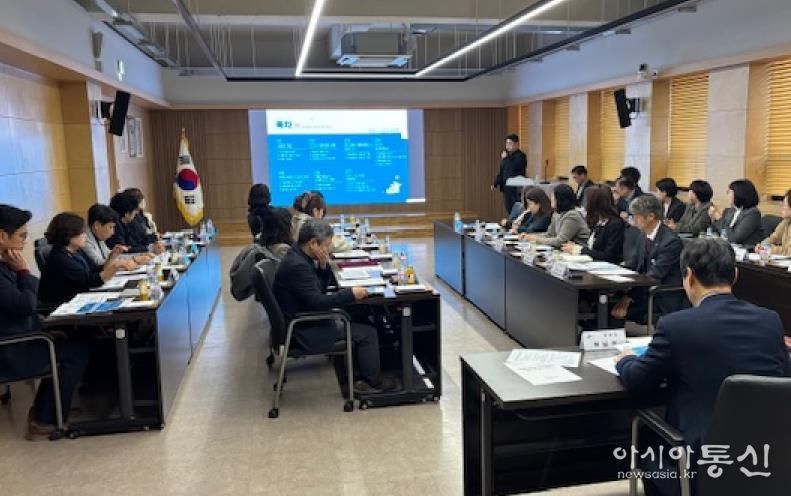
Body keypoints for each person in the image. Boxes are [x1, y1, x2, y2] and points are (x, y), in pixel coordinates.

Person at [616, 238, 789, 496]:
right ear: (735, 275)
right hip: (766, 455)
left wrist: (625, 359)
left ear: (689, 276)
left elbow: (638, 381)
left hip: (698, 461)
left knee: (645, 434)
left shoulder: (675, 326)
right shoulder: (770, 321)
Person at [273, 219, 395, 394]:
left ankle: (362, 367)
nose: (328, 249)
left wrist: (323, 266)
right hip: (305, 328)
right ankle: (372, 382)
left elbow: (316, 291)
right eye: (326, 245)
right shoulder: (298, 266)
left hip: (303, 317)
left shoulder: (298, 256)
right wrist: (350, 294)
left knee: (358, 313)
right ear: (313, 243)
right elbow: (318, 302)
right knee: (368, 333)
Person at [0, 205, 91, 440]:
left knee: (74, 340)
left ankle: (50, 407)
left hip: (23, 337)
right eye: (21, 236)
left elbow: (33, 293)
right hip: (11, 350)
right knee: (77, 352)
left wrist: (21, 273)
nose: (24, 242)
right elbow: (25, 305)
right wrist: (22, 271)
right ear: (2, 236)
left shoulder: (5, 265)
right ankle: (44, 419)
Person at [612, 195, 683, 323]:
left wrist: (629, 297)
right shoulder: (643, 235)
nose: (633, 220)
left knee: (608, 310)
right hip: (643, 290)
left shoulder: (670, 242)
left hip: (659, 296)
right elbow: (633, 264)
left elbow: (654, 276)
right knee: (602, 301)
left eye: (637, 216)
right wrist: (613, 273)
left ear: (651, 216)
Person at [38, 213, 122, 308]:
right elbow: (91, 281)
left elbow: (95, 270)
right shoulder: (59, 259)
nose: (85, 236)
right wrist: (116, 266)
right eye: (82, 233)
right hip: (64, 306)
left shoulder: (76, 250)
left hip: (80, 299)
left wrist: (112, 258)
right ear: (69, 235)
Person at [561, 184, 625, 263]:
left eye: (587, 200)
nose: (584, 204)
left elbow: (608, 256)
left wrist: (580, 249)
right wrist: (576, 247)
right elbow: (593, 249)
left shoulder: (615, 224)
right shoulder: (596, 221)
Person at [522, 184, 590, 247]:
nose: (551, 199)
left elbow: (560, 241)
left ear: (560, 199)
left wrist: (536, 239)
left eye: (553, 197)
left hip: (578, 251)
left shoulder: (572, 215)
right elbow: (550, 234)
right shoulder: (557, 214)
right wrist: (529, 236)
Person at [82, 204, 142, 270]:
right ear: (97, 225)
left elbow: (109, 256)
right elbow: (99, 263)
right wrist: (133, 259)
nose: (113, 232)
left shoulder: (98, 236)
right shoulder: (84, 239)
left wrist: (136, 257)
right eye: (110, 227)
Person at [708, 179, 764, 247]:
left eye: (729, 192)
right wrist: (712, 218)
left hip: (745, 250)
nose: (727, 194)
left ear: (739, 194)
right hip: (726, 248)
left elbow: (734, 239)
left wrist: (719, 218)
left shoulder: (753, 213)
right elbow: (716, 232)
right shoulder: (729, 211)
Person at [491, 134, 527, 215]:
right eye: (506, 143)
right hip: (506, 188)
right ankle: (511, 222)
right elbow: (502, 172)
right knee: (509, 208)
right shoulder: (507, 157)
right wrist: (495, 183)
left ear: (517, 144)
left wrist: (506, 158)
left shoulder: (521, 156)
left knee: (516, 209)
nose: (507, 146)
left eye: (510, 143)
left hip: (516, 188)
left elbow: (514, 167)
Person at [758, 188, 791, 255]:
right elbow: (774, 237)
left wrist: (772, 250)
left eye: (784, 205)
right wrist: (762, 245)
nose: (782, 208)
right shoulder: (786, 221)